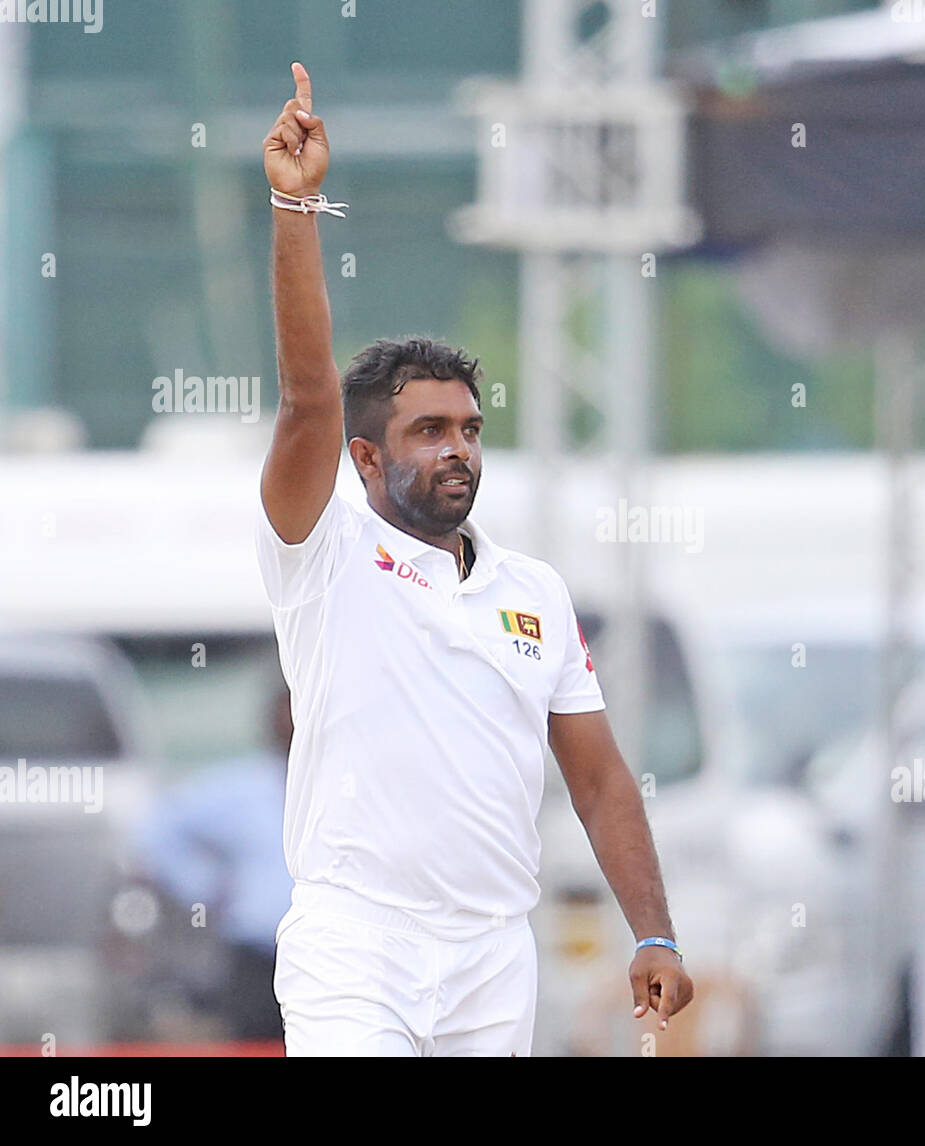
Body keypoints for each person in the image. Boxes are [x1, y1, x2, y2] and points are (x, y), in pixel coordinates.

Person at [256, 63, 692, 1056]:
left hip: (494, 953)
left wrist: (653, 930)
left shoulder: (531, 590)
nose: (458, 449)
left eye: (470, 428)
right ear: (365, 456)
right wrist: (295, 205)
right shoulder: (321, 552)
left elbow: (599, 782)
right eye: (428, 432)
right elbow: (307, 402)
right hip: (356, 943)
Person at [131, 680, 295, 1039]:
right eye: (284, 710)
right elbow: (157, 830)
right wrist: (205, 888)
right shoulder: (241, 788)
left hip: (331, 952)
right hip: (257, 952)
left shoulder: (348, 786)